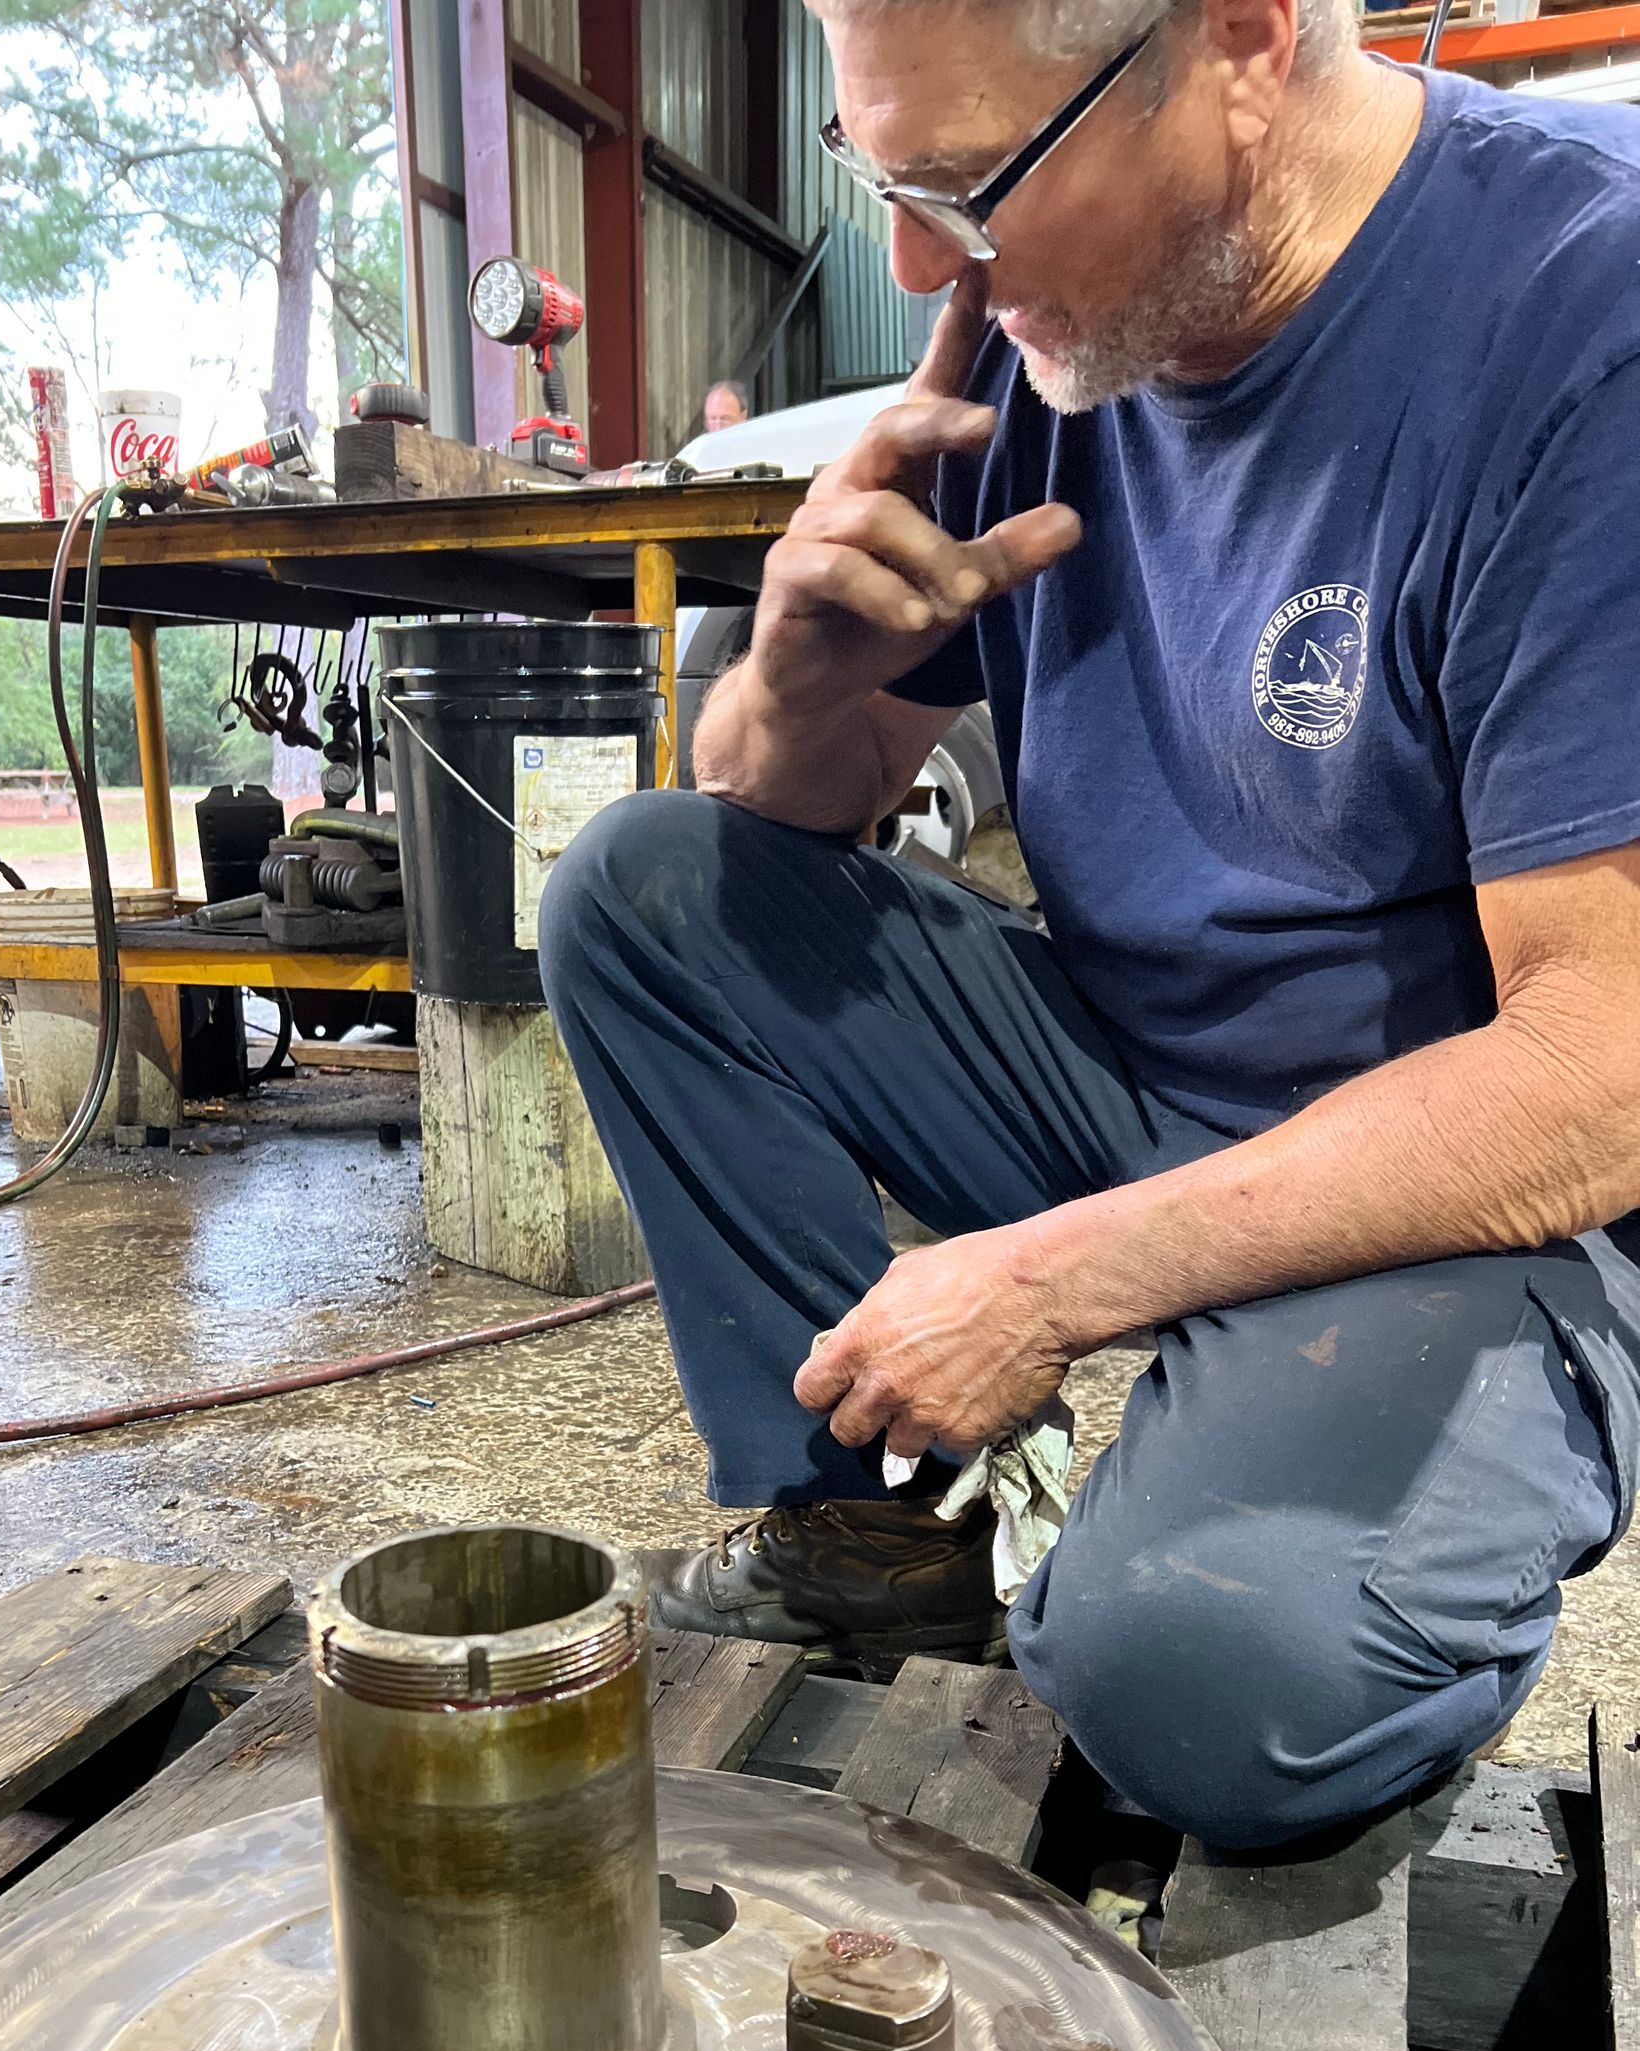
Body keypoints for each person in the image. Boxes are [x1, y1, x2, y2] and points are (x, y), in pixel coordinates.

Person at [539, 0, 1640, 1850]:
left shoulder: (1581, 324)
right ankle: (881, 1537)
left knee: (1202, 1685)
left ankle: (1381, 1512)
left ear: (1242, 45)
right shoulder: (1042, 334)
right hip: (1140, 1067)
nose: (921, 266)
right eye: (886, 182)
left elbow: (1603, 1074)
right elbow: (776, 806)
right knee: (643, 890)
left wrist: (1051, 1284)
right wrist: (794, 683)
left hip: (1488, 1176)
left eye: (974, 184)